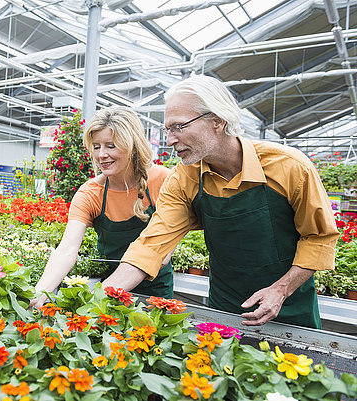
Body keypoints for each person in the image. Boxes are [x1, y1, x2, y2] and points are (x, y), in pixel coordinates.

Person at [103, 74, 339, 329]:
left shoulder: (289, 167)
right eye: (167, 129)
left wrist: (281, 290)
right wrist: (98, 298)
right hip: (225, 309)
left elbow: (318, 238)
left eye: (178, 127)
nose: (170, 140)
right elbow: (151, 246)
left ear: (217, 120)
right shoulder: (184, 180)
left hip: (292, 311)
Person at [29, 106, 174, 309]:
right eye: (96, 146)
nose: (101, 154)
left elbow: (162, 254)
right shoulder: (90, 193)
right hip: (109, 294)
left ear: (132, 145)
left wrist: (96, 298)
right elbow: (67, 250)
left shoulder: (164, 181)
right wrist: (40, 292)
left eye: (111, 146)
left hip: (154, 296)